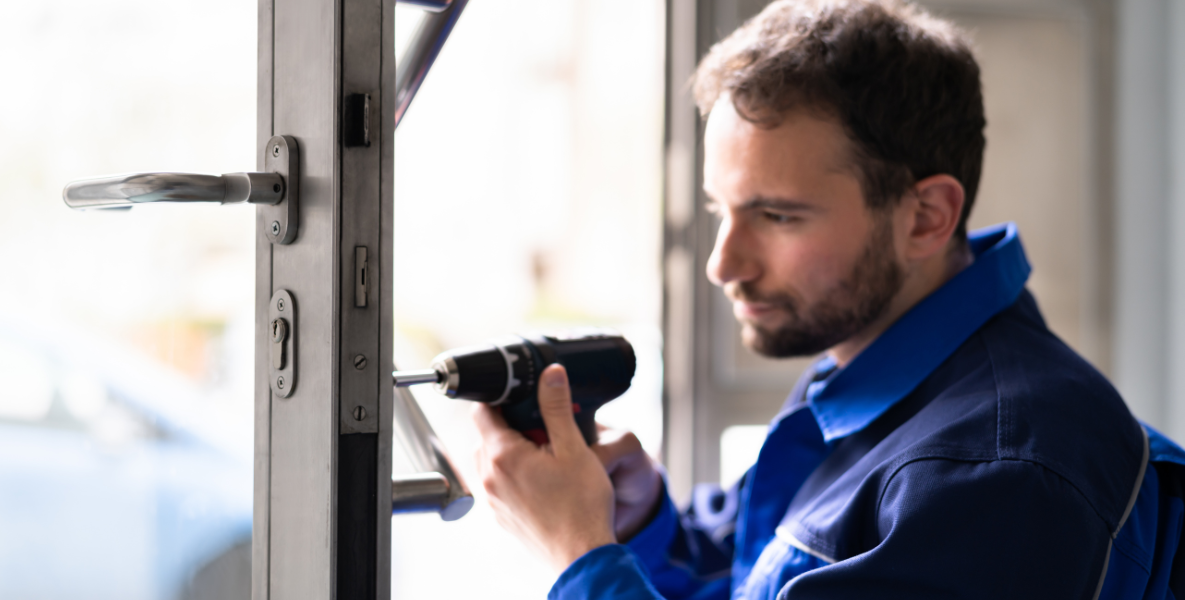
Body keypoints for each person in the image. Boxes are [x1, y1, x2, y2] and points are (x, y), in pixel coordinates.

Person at [470, 0, 1185, 597]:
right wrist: (640, 522)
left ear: (926, 216)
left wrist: (579, 557)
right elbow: (757, 577)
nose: (724, 264)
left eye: (778, 216)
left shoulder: (1000, 472)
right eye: (723, 211)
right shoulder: (871, 373)